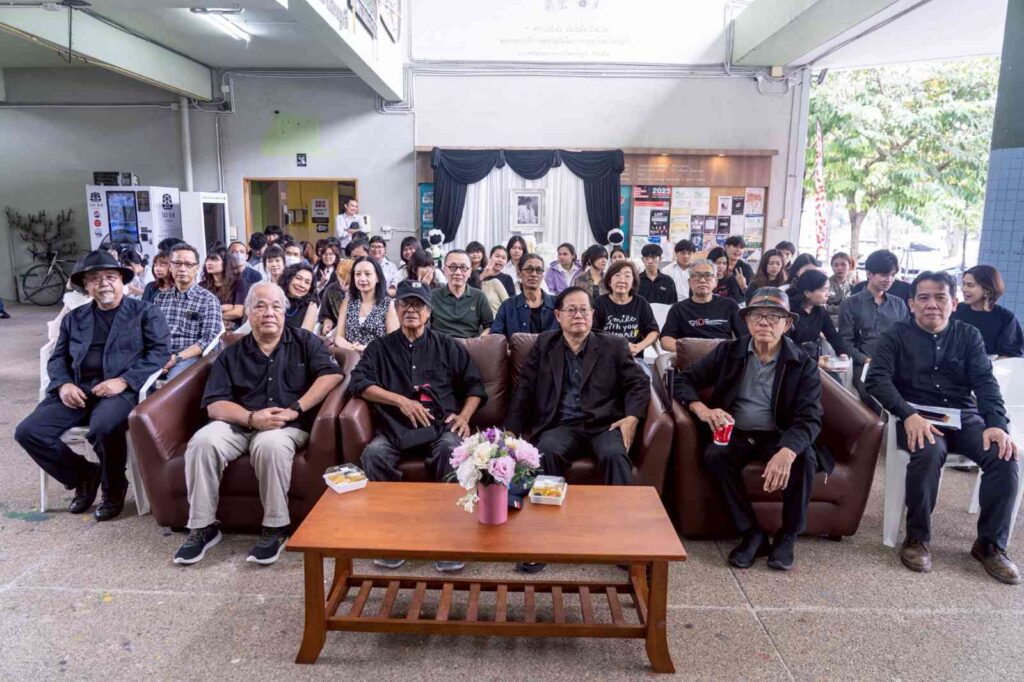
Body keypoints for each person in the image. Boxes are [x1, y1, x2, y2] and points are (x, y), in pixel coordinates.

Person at [865, 271, 1021, 584]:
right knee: (927, 451)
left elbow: (985, 382)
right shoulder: (895, 335)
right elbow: (876, 379)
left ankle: (990, 545)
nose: (932, 304)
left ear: (954, 303)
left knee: (1003, 455)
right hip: (917, 417)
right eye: (923, 298)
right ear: (911, 304)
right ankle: (917, 538)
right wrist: (908, 414)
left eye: (940, 297)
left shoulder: (968, 335)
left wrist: (997, 425)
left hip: (964, 417)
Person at [173, 283, 343, 566]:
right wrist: (252, 418)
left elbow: (332, 375)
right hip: (240, 422)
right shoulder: (231, 353)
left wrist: (294, 409)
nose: (269, 313)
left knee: (270, 445)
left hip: (287, 425)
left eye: (276, 306)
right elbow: (215, 405)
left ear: (284, 312)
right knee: (203, 441)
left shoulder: (305, 341)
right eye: (260, 306)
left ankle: (276, 527)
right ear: (249, 313)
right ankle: (203, 527)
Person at [675, 287, 824, 571]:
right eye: (757, 315)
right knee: (715, 456)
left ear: (787, 324)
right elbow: (683, 380)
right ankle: (752, 533)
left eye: (774, 316)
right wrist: (702, 410)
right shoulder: (729, 351)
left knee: (804, 459)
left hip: (780, 434)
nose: (764, 322)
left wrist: (787, 451)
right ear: (746, 321)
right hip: (737, 432)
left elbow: (810, 417)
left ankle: (788, 536)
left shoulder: (802, 363)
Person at [15, 250, 170, 521]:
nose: (104, 283)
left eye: (110, 277)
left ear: (122, 281)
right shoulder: (75, 318)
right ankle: (84, 475)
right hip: (78, 389)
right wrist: (63, 384)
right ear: (86, 286)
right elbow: (58, 358)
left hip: (120, 391)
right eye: (95, 278)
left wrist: (123, 381)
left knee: (104, 428)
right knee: (29, 432)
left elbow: (160, 353)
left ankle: (113, 488)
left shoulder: (145, 312)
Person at [505, 286, 649, 575]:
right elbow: (525, 390)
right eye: (571, 310)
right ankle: (544, 539)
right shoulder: (545, 344)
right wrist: (511, 432)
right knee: (546, 452)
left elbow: (639, 383)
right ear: (558, 315)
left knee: (615, 457)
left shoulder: (614, 345)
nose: (579, 315)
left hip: (604, 424)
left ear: (593, 315)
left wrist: (632, 417)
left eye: (584, 310)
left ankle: (624, 541)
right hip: (561, 424)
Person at [349, 279, 487, 573]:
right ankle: (394, 535)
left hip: (441, 427)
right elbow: (358, 382)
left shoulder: (447, 346)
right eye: (405, 304)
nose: (411, 310)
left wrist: (464, 417)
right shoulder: (380, 348)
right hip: (395, 427)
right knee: (373, 454)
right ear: (396, 309)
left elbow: (475, 386)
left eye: (418, 304)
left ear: (429, 311)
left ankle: (449, 537)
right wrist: (399, 400)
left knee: (451, 450)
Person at [839, 248, 909, 389]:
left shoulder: (899, 304)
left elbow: (907, 337)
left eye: (892, 275)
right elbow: (845, 341)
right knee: (874, 394)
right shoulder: (850, 303)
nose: (889, 280)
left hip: (895, 364)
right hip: (865, 364)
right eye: (884, 275)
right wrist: (864, 359)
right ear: (869, 274)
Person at [153, 243, 224, 381]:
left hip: (189, 357)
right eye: (177, 264)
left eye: (188, 264)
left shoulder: (208, 300)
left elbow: (209, 338)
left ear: (196, 268)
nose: (182, 269)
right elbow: (153, 333)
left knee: (173, 385)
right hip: (160, 355)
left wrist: (176, 358)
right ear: (170, 267)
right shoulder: (160, 299)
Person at [660, 259, 745, 353]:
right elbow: (665, 340)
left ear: (716, 282)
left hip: (723, 356)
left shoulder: (729, 305)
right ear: (689, 282)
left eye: (708, 275)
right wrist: (689, 351)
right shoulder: (678, 309)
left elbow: (744, 336)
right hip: (691, 357)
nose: (702, 280)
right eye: (697, 276)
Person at [594, 260, 660, 365]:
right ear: (609, 281)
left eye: (627, 276)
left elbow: (653, 331)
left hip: (634, 359)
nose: (622, 280)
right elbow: (592, 334)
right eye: (617, 275)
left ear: (633, 283)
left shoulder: (641, 303)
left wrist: (638, 347)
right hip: (605, 358)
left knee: (644, 375)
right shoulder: (599, 303)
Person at [952, 265, 1024, 358]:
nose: (964, 289)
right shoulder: (954, 310)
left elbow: (1009, 354)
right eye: (964, 284)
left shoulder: (1006, 318)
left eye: (970, 285)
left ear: (987, 289)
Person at [333, 256, 398, 352]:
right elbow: (339, 337)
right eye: (358, 274)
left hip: (377, 357)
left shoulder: (388, 305)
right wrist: (349, 346)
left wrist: (365, 348)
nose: (362, 278)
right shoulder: (347, 302)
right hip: (350, 356)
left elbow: (393, 342)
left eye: (368, 274)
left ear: (377, 278)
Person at [786, 269, 854, 362]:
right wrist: (816, 360)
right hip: (792, 361)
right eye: (823, 290)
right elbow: (786, 345)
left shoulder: (820, 311)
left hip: (813, 360)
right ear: (807, 293)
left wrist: (843, 352)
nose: (828, 294)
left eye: (828, 289)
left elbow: (833, 336)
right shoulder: (789, 312)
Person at [431, 250, 494, 338]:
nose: (458, 272)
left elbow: (489, 326)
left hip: (470, 344)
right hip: (440, 344)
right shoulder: (432, 296)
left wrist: (478, 340)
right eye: (453, 267)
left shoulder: (479, 296)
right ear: (444, 270)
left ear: (470, 271)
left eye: (463, 268)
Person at [493, 253, 557, 340]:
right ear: (519, 273)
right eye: (529, 269)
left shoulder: (557, 304)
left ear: (542, 275)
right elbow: (495, 337)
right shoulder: (508, 306)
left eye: (539, 270)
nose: (534, 274)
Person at [199, 246, 245, 331]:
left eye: (214, 260)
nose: (209, 263)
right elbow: (198, 313)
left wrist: (212, 314)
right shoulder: (202, 286)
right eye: (208, 260)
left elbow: (238, 312)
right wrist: (223, 308)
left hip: (232, 329)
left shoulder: (237, 283)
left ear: (225, 263)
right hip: (208, 328)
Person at [279, 263, 319, 331]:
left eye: (307, 282)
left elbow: (304, 335)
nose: (302, 285)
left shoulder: (311, 305)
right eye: (298, 278)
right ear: (288, 278)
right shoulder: (276, 297)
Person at [826, 251, 855, 321]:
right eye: (836, 265)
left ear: (850, 266)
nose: (839, 268)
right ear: (832, 267)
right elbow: (823, 307)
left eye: (843, 264)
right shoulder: (825, 285)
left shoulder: (852, 288)